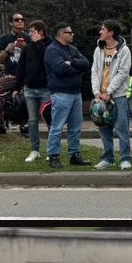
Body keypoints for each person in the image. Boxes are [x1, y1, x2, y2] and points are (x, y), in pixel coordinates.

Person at [43, 23, 90, 170]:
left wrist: (72, 63)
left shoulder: (72, 49)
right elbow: (61, 69)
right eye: (70, 32)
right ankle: (53, 155)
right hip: (61, 93)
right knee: (57, 127)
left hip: (76, 93)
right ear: (61, 34)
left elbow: (86, 63)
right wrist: (75, 68)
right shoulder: (52, 50)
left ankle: (75, 154)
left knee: (75, 127)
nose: (72, 34)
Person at [91, 19, 132, 171]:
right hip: (100, 96)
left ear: (111, 33)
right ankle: (108, 158)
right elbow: (95, 71)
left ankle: (125, 158)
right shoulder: (98, 50)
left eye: (103, 29)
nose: (100, 32)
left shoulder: (124, 50)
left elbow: (123, 73)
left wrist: (109, 91)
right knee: (103, 127)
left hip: (118, 96)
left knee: (122, 128)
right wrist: (97, 91)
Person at [15, 20, 51, 163]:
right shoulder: (27, 48)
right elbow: (21, 69)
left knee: (49, 119)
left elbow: (47, 60)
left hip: (45, 88)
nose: (29, 34)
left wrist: (38, 44)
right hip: (30, 89)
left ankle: (52, 150)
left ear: (40, 32)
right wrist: (17, 88)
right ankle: (35, 150)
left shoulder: (49, 46)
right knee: (32, 121)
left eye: (32, 31)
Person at [0, 11, 29, 135]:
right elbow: (0, 59)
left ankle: (25, 126)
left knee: (26, 98)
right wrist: (7, 49)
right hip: (10, 75)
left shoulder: (29, 38)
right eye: (17, 20)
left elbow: (35, 58)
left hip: (26, 75)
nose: (20, 21)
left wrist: (25, 48)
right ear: (11, 23)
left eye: (22, 19)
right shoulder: (4, 39)